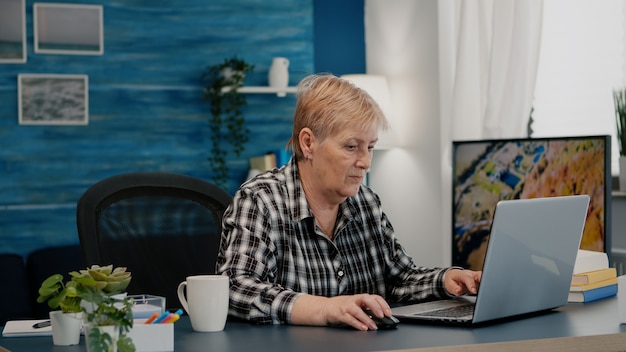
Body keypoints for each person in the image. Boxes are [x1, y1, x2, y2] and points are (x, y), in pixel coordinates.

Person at [216, 74, 482, 331]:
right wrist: (325, 309)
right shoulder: (261, 200)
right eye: (351, 147)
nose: (365, 161)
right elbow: (235, 288)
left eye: (370, 147)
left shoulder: (365, 202)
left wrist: (447, 280)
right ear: (308, 143)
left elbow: (398, 279)